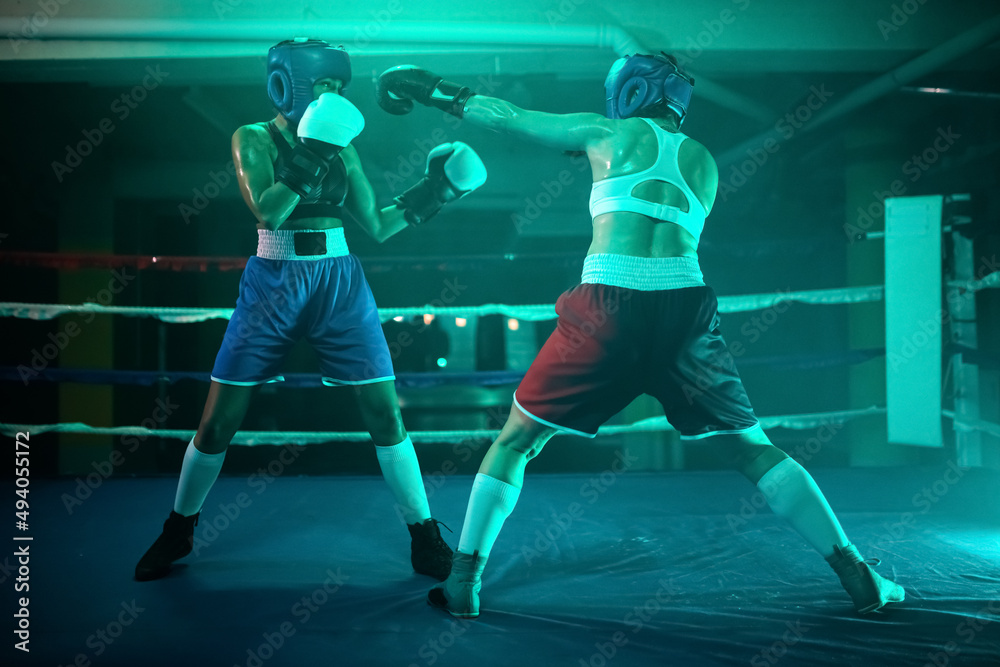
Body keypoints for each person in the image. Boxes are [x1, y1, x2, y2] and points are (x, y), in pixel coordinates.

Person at [374, 53, 905, 617]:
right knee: (753, 449)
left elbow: (506, 116)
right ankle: (857, 573)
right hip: (685, 309)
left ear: (627, 92)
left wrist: (432, 90)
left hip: (608, 305)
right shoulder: (705, 161)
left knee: (515, 442)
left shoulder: (609, 131)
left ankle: (462, 584)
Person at [134, 38, 487, 582]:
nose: (332, 96)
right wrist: (315, 147)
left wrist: (435, 191)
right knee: (217, 421)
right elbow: (269, 211)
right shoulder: (251, 137)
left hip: (340, 282)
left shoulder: (344, 146)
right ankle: (178, 530)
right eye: (323, 85)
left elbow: (378, 225)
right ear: (287, 85)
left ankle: (423, 536)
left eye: (338, 87)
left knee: (386, 414)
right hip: (272, 282)